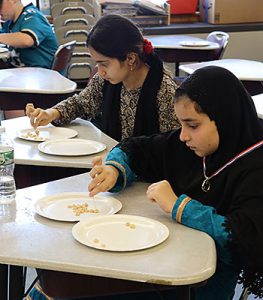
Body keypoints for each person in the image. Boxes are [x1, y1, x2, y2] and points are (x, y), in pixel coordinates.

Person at [88, 66, 263, 299]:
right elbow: (136, 148)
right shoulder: (192, 146)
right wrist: (114, 170)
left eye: (193, 125)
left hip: (205, 283)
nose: (183, 136)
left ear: (224, 119)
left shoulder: (256, 165)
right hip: (166, 261)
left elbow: (242, 237)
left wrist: (179, 207)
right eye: (181, 125)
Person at [26, 14, 180, 141]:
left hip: (150, 173)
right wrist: (51, 113)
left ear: (131, 59)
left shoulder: (164, 91)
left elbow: (171, 145)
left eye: (104, 64)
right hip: (111, 164)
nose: (100, 71)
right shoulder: (107, 79)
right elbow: (81, 103)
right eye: (97, 64)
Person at [0, 0, 58, 68]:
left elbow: (27, 40)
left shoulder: (32, 16)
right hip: (23, 71)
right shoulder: (9, 23)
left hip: (40, 73)